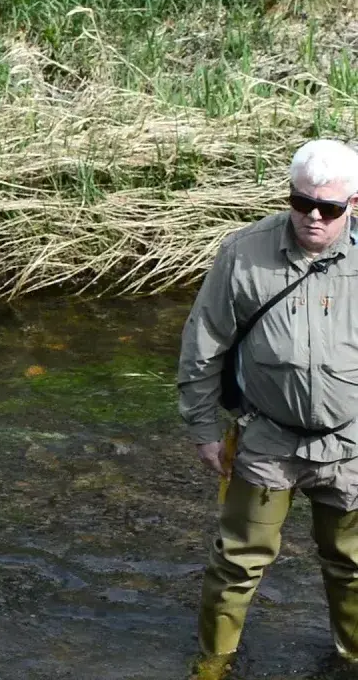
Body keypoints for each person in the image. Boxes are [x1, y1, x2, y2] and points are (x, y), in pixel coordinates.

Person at [178, 139, 358, 678]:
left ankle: (352, 659)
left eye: (329, 208)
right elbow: (203, 342)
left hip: (351, 443)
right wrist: (205, 428)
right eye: (301, 203)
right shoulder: (243, 253)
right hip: (266, 439)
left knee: (352, 565)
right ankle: (214, 662)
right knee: (237, 560)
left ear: (356, 204)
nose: (313, 217)